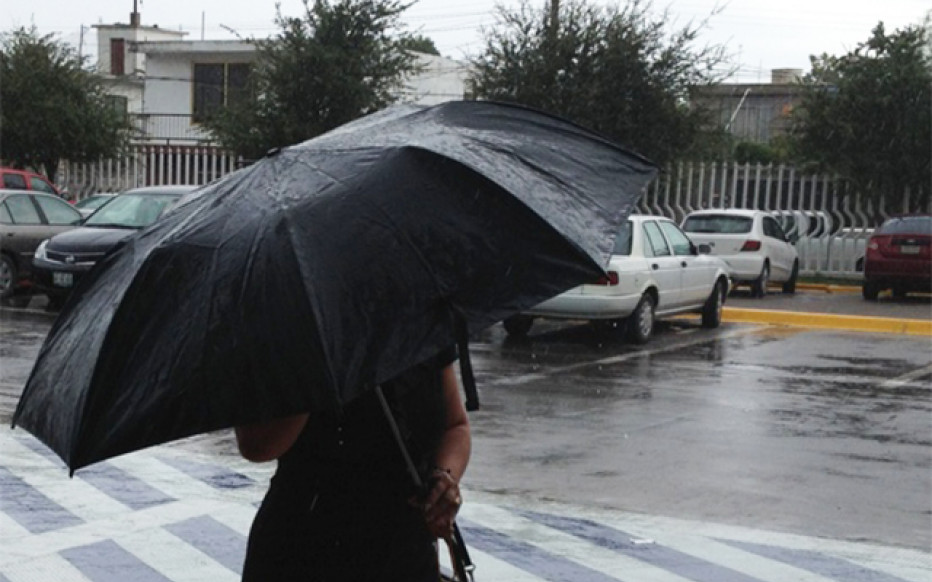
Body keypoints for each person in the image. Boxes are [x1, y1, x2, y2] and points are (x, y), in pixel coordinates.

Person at [235, 345, 471, 581]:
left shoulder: (419, 321)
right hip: (303, 550)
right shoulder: (293, 331)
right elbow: (256, 445)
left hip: (406, 555)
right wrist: (316, 371)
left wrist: (444, 479)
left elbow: (456, 426)